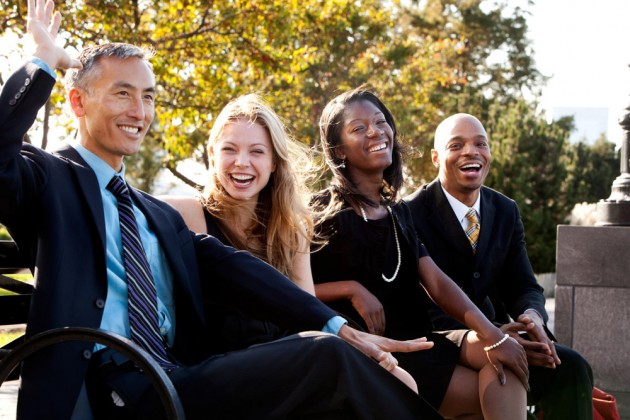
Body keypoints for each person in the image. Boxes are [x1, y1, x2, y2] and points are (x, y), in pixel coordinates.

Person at [0, 1, 444, 418]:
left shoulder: (154, 215)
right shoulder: (48, 178)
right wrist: (42, 62)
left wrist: (339, 327)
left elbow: (237, 270)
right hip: (107, 387)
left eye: (149, 96)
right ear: (78, 103)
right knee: (329, 361)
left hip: (174, 378)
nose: (140, 111)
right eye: (122, 94)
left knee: (337, 358)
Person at [162, 93, 418, 391]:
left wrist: (360, 349)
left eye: (257, 152)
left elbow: (308, 315)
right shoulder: (187, 213)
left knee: (400, 380)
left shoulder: (292, 227)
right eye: (229, 150)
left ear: (274, 162)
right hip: (216, 373)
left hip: (286, 363)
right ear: (212, 154)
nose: (241, 163)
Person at [310, 86, 529, 419]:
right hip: (372, 352)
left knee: (502, 353)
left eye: (380, 121)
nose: (375, 131)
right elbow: (288, 289)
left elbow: (438, 284)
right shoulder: (319, 212)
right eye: (359, 128)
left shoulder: (399, 211)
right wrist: (349, 289)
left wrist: (494, 333)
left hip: (422, 340)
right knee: (494, 379)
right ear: (339, 150)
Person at [404, 113, 594, 419]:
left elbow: (524, 285)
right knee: (505, 366)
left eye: (481, 143)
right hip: (442, 345)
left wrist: (532, 316)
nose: (471, 151)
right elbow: (423, 300)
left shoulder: (505, 210)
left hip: (504, 333)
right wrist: (491, 335)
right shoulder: (408, 214)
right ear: (436, 158)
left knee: (570, 367)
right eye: (457, 145)